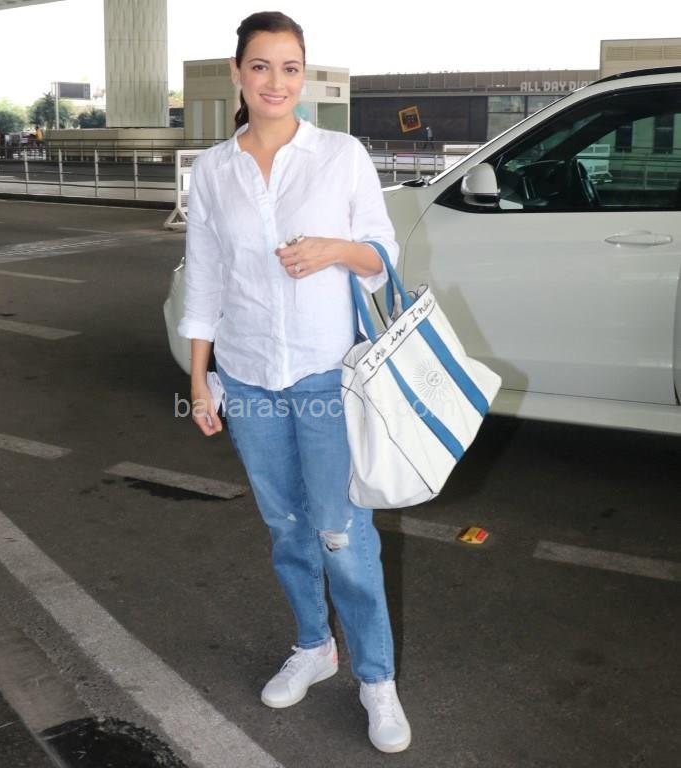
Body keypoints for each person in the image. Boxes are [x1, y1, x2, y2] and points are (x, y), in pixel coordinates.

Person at [177, 10, 411, 754]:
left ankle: (376, 678)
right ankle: (314, 646)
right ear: (237, 74)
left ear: (302, 76)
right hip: (247, 378)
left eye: (289, 67)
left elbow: (384, 256)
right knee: (286, 528)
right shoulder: (213, 171)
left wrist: (335, 249)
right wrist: (201, 377)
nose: (275, 82)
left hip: (324, 374)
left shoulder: (339, 154)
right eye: (260, 66)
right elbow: (204, 279)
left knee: (342, 534)